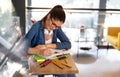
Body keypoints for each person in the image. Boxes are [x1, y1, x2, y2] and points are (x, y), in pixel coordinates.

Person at [24, 5, 76, 77]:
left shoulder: (57, 29)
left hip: (52, 58)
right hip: (39, 61)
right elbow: (23, 46)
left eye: (57, 26)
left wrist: (48, 45)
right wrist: (39, 51)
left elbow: (68, 44)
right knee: (63, 74)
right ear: (49, 16)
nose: (54, 28)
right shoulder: (36, 27)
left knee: (70, 73)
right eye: (53, 24)